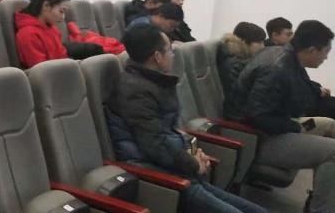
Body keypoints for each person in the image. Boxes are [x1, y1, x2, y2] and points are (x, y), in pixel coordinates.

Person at [106, 25, 266, 213]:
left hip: (172, 167)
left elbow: (170, 132)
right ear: (157, 57)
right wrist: (192, 163)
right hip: (154, 174)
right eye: (170, 50)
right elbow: (155, 145)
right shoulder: (136, 91)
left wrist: (193, 152)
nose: (173, 55)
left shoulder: (151, 83)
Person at [233, 20, 335, 213]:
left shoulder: (287, 58)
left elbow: (300, 89)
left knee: (329, 124)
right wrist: (295, 127)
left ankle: (324, 195)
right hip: (257, 139)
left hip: (276, 127)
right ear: (312, 50)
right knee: (333, 151)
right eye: (325, 52)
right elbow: (256, 116)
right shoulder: (277, 68)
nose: (326, 57)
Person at [217, 22, 266, 119]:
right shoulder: (235, 65)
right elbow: (237, 99)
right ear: (244, 41)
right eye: (259, 42)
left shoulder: (240, 60)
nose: (263, 47)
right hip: (237, 117)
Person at [14, 0, 71, 69]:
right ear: (46, 5)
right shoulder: (28, 34)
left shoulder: (53, 30)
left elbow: (63, 57)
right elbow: (41, 70)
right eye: (61, 11)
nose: (63, 17)